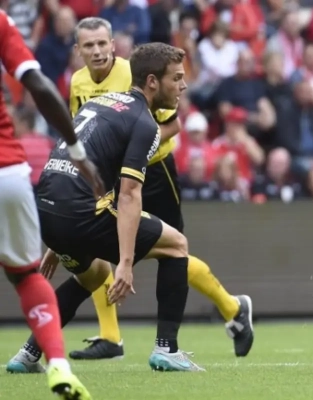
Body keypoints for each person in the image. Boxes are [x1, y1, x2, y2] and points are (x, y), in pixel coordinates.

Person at [6, 43, 212, 374]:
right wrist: (126, 264)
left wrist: (56, 244)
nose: (183, 86)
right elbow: (129, 195)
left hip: (46, 210)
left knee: (94, 274)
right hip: (75, 214)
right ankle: (167, 349)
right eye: (176, 78)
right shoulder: (144, 124)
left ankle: (28, 354)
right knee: (176, 245)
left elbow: (76, 168)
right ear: (152, 82)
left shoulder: (100, 104)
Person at [65, 17, 253, 361]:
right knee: (97, 250)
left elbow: (173, 125)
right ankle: (111, 338)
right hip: (110, 177)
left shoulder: (135, 74)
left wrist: (134, 151)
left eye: (102, 43)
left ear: (113, 45)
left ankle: (232, 307)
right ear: (78, 50)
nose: (97, 51)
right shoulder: (77, 82)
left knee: (172, 250)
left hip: (153, 173)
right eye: (89, 45)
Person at [0, 9, 96, 399]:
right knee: (26, 276)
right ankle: (57, 362)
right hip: (7, 171)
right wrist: (77, 149)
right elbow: (38, 84)